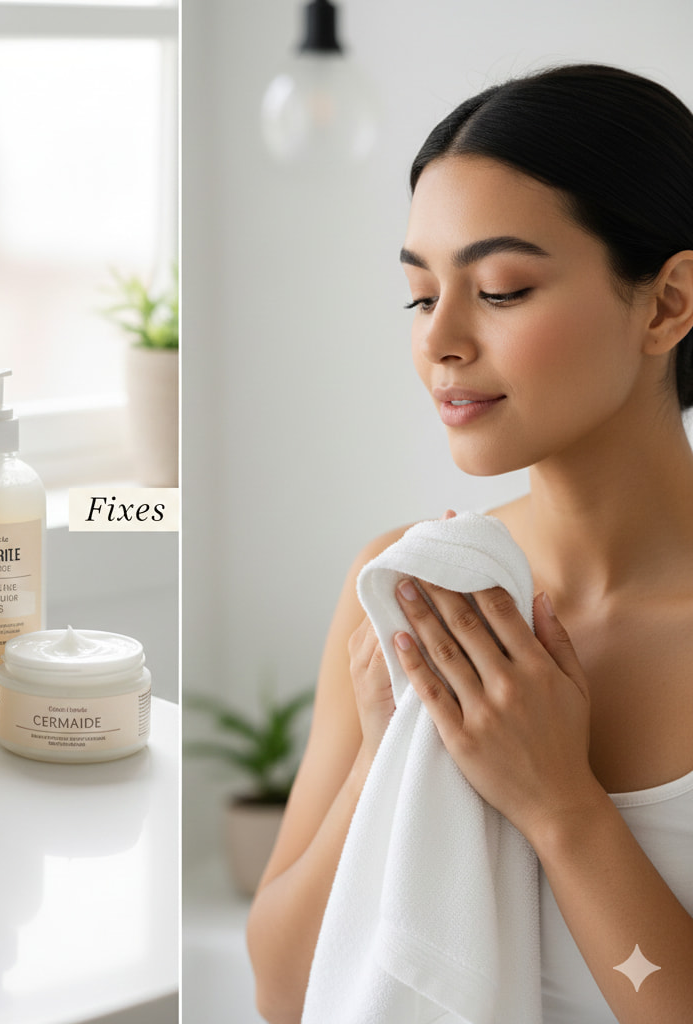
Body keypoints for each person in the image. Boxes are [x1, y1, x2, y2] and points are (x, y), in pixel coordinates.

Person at [245, 63, 693, 1024]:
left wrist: (560, 806)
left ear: (666, 304)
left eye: (500, 288)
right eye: (419, 296)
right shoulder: (409, 589)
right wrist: (388, 747)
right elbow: (284, 991)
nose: (440, 339)